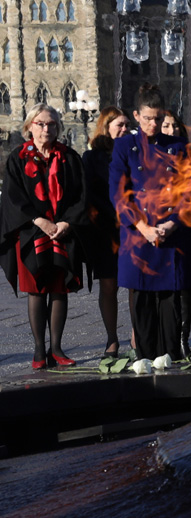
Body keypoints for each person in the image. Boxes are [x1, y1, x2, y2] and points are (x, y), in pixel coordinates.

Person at [0, 104, 89, 369]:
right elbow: (14, 199)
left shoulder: (70, 157)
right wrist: (40, 222)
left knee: (60, 291)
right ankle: (40, 350)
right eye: (40, 124)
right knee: (37, 291)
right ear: (29, 127)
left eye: (51, 124)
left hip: (62, 232)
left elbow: (80, 197)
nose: (46, 129)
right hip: (31, 233)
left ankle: (58, 348)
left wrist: (64, 223)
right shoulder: (17, 158)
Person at [109, 84, 191, 361]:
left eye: (158, 118)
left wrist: (173, 223)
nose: (153, 123)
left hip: (171, 235)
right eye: (147, 118)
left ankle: (172, 359)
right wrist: (143, 227)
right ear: (136, 115)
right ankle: (144, 360)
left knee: (171, 304)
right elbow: (118, 192)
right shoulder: (125, 146)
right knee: (142, 304)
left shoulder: (180, 148)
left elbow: (190, 192)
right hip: (139, 236)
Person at [83, 106, 130, 358]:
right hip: (105, 230)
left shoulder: (135, 152)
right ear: (106, 127)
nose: (124, 129)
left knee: (136, 285)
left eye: (126, 125)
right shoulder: (92, 158)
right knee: (109, 285)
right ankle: (112, 339)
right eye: (118, 125)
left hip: (133, 227)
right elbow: (89, 194)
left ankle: (137, 336)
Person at [159, 109, 191, 358]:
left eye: (174, 126)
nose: (171, 131)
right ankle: (167, 343)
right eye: (166, 126)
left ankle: (184, 340)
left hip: (182, 224)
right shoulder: (150, 155)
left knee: (184, 286)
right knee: (163, 288)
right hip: (159, 226)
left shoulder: (188, 154)